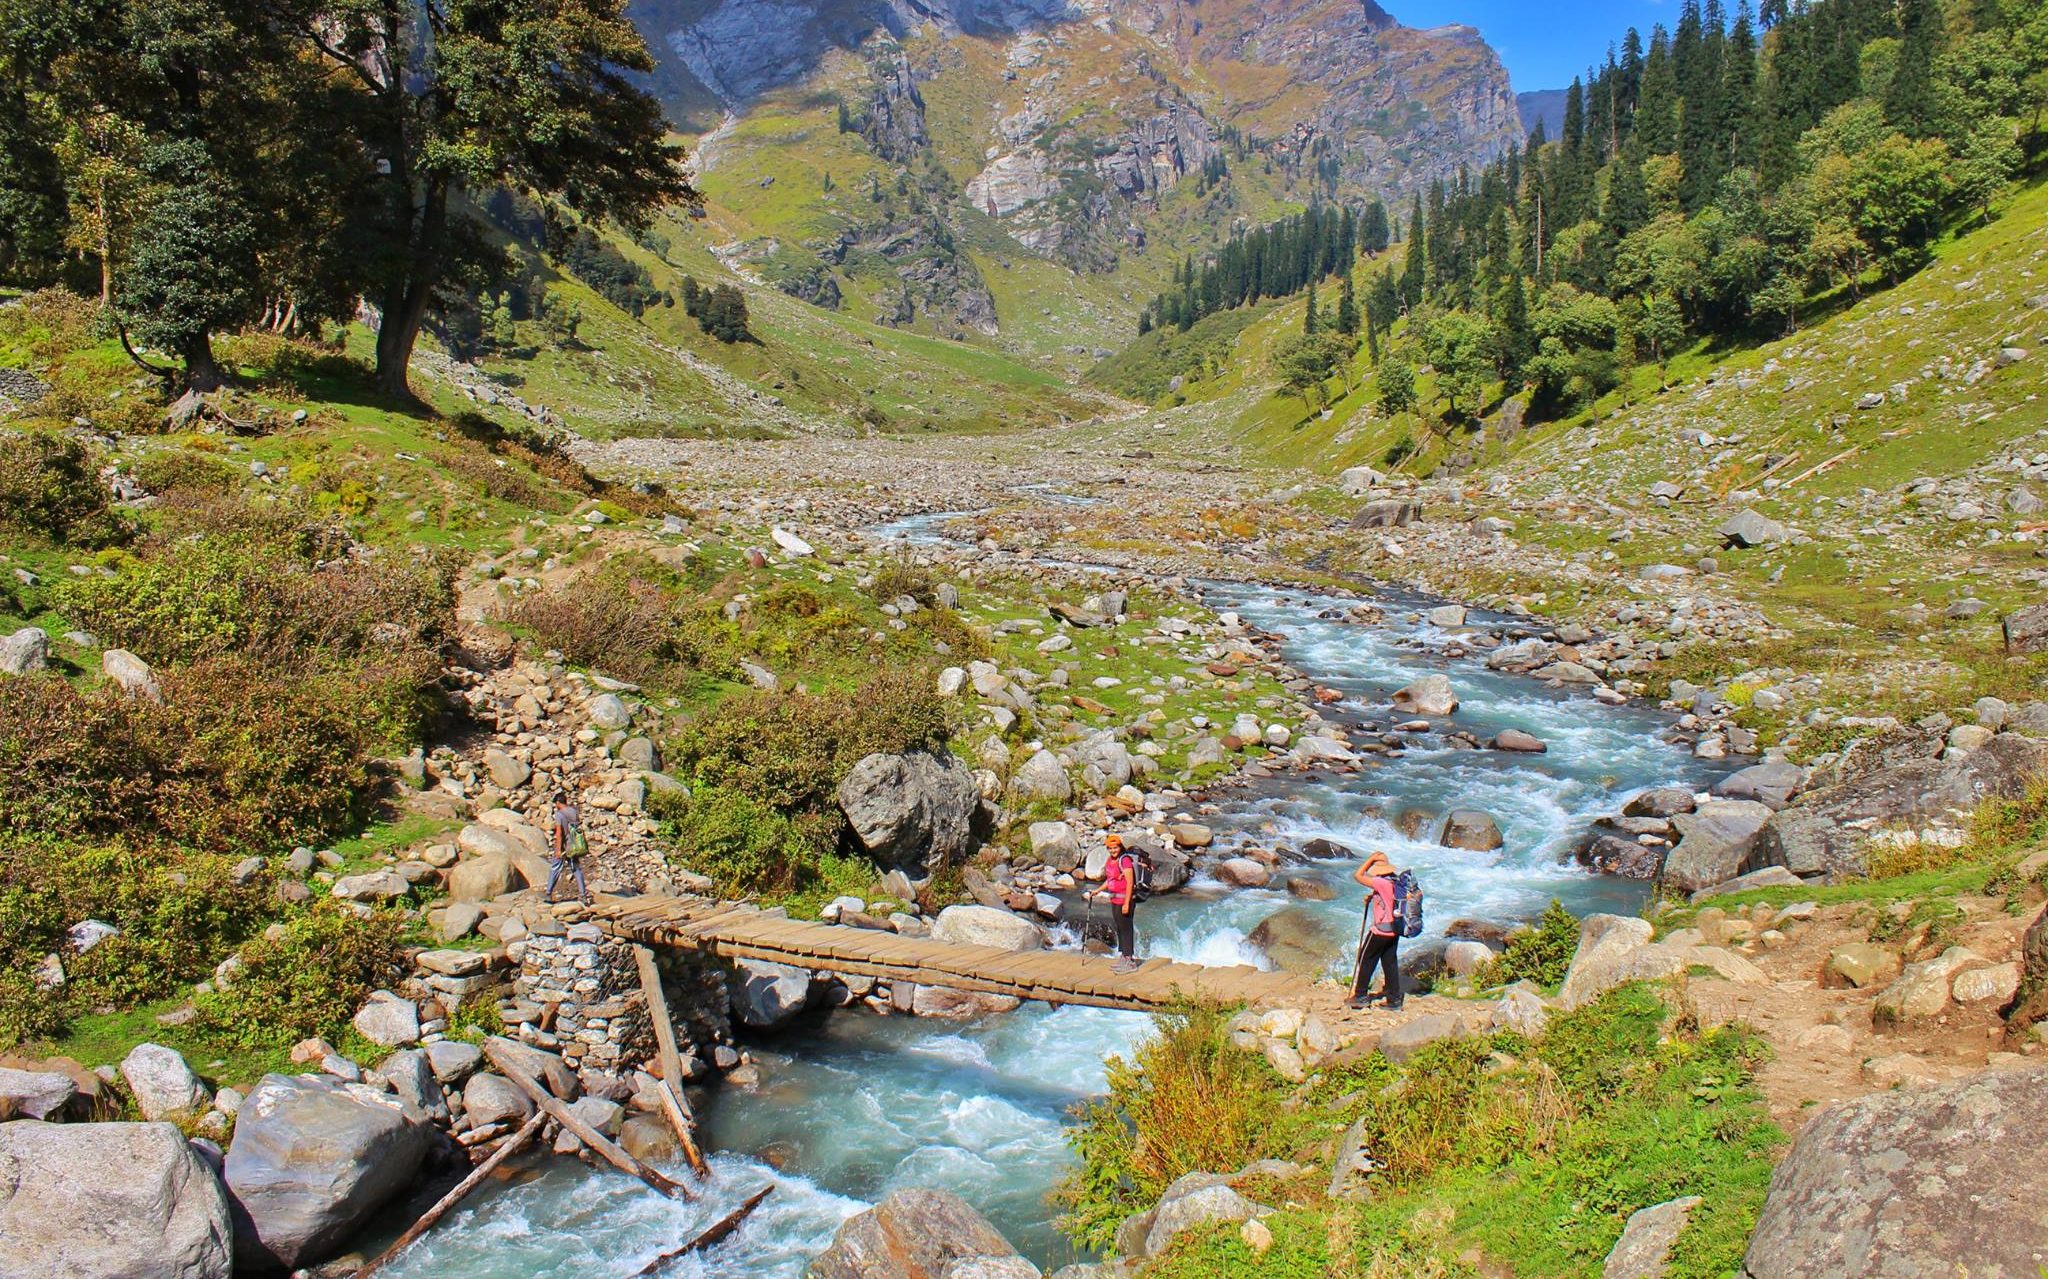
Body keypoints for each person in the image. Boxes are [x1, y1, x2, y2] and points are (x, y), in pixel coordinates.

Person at [1349, 850, 1404, 1011]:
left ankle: (1360, 996)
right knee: (1390, 962)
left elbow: (1358, 875)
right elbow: (1388, 899)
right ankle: (1394, 999)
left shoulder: (1380, 882)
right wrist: (1373, 897)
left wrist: (1370, 858)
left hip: (1380, 931)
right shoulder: (1395, 881)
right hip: (1394, 929)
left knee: (1366, 959)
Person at [1086, 834, 1142, 974]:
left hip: (1125, 900)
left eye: (1115, 848)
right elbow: (1110, 880)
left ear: (1120, 847)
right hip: (1114, 899)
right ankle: (1123, 957)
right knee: (1120, 928)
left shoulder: (1125, 861)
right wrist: (1097, 891)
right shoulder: (1110, 860)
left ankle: (1130, 961)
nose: (1113, 851)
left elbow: (1130, 882)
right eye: (1110, 848)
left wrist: (1127, 903)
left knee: (1126, 929)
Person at [546, 794, 592, 906]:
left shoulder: (559, 814)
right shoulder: (574, 811)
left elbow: (559, 833)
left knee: (555, 867)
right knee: (576, 868)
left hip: (565, 846)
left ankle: (548, 893)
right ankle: (582, 894)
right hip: (575, 844)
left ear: (558, 802)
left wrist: (557, 849)